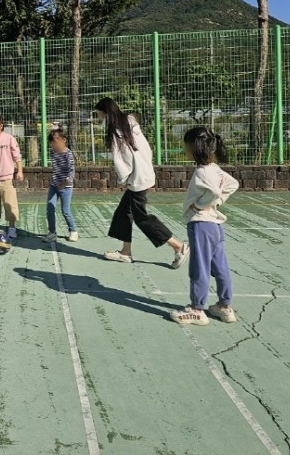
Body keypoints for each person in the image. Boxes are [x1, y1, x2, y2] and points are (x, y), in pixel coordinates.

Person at [94, 98, 189, 268]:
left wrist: (124, 178)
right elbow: (146, 150)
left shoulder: (117, 132)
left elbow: (122, 159)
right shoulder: (130, 126)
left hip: (136, 179)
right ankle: (125, 252)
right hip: (143, 174)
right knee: (123, 213)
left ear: (106, 113)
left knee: (141, 218)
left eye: (99, 114)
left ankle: (178, 246)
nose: (98, 117)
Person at [170, 127, 240, 325]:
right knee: (220, 266)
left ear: (194, 147)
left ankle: (197, 310)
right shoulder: (215, 169)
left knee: (199, 267)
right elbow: (232, 184)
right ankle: (224, 306)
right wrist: (217, 202)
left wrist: (201, 204)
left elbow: (214, 193)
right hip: (215, 225)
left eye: (185, 146)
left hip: (201, 223)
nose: (184, 149)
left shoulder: (202, 172)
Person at [44, 128, 78, 242]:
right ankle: (52, 232)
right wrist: (55, 181)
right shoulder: (52, 152)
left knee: (65, 211)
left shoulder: (68, 154)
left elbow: (72, 172)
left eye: (56, 140)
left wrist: (65, 182)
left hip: (66, 187)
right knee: (50, 208)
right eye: (52, 142)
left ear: (64, 140)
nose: (54, 144)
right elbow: (55, 168)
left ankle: (73, 231)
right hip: (54, 185)